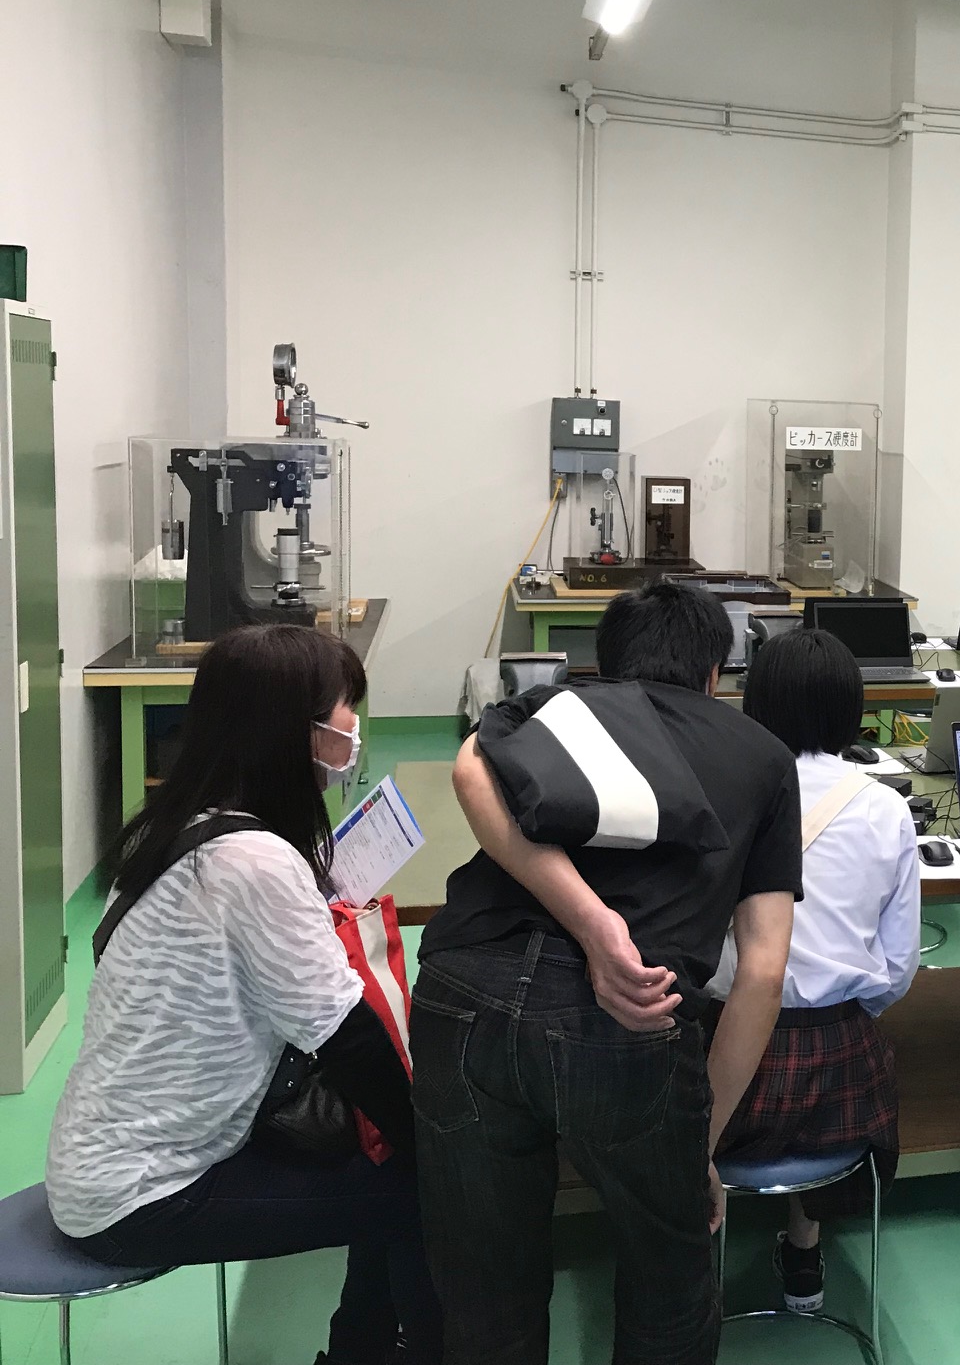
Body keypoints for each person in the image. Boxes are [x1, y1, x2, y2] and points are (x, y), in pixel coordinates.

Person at [413, 580, 799, 1365]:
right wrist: (700, 1145)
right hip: (627, 1022)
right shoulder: (763, 756)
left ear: (605, 663)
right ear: (715, 673)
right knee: (668, 1290)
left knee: (484, 1291)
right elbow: (762, 972)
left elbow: (470, 767)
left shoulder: (559, 710)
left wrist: (589, 921)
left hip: (463, 993)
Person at [47, 624, 438, 1365]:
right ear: (295, 731)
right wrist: (434, 1144)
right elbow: (348, 1038)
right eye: (345, 709)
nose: (354, 726)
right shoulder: (253, 863)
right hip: (143, 1193)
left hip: (105, 1155)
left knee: (390, 1169)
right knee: (419, 1191)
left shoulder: (180, 830)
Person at [710, 628, 920, 1315]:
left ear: (756, 704)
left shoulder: (722, 795)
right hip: (841, 1071)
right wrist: (840, 1013)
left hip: (730, 1058)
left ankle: (694, 1259)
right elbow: (898, 968)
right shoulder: (887, 808)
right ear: (851, 710)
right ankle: (805, 1254)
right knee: (838, 1090)